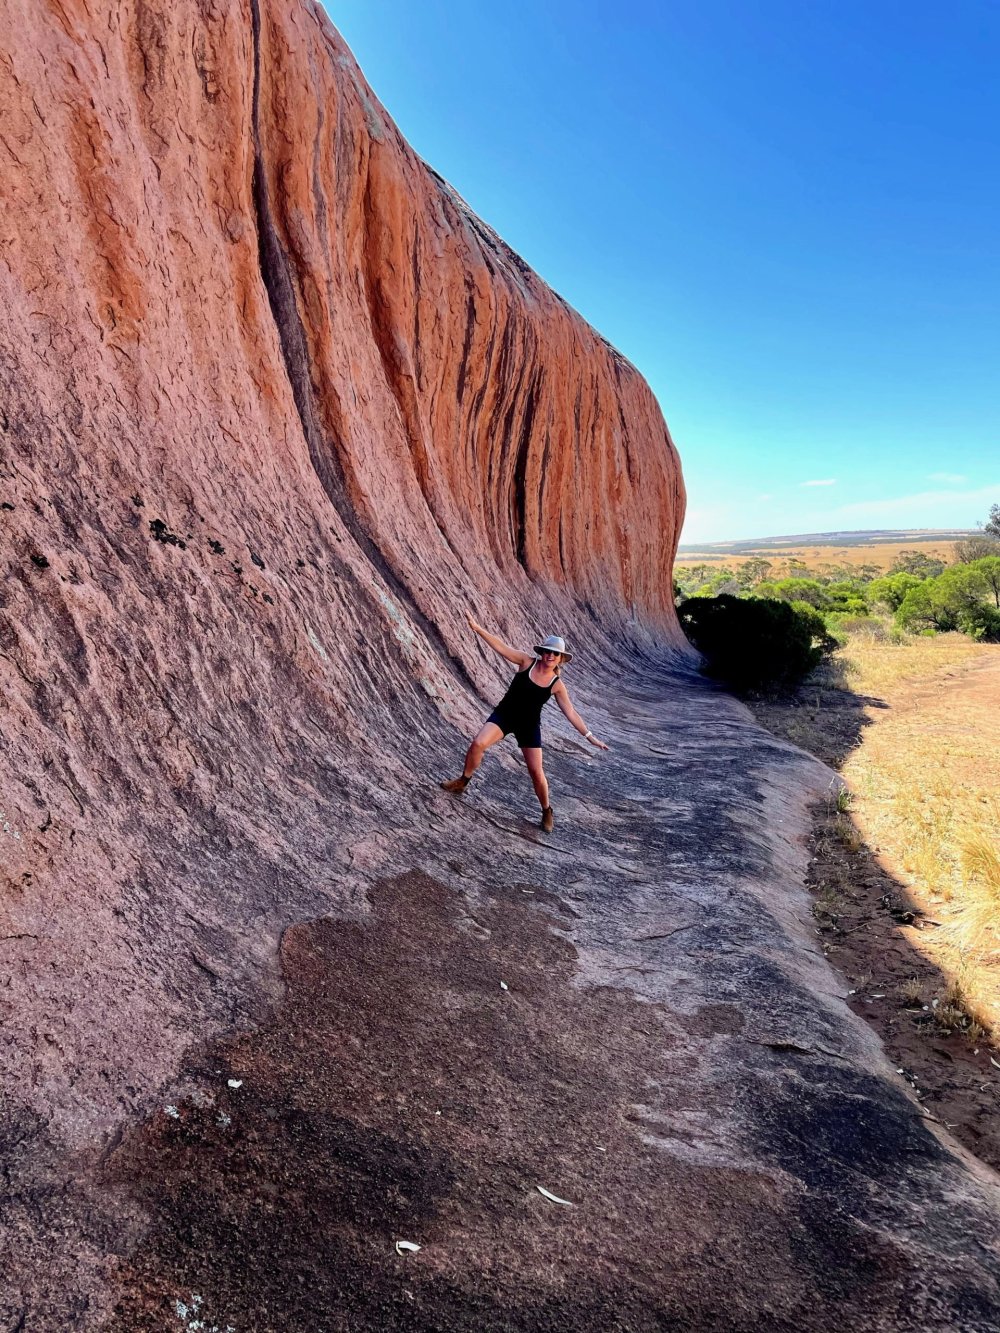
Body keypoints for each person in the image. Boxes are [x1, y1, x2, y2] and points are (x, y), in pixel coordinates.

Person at [440, 614, 609, 832]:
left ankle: (547, 810)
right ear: (542, 652)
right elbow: (501, 647)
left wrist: (590, 737)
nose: (550, 655)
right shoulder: (526, 662)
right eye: (547, 651)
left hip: (528, 726)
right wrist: (478, 628)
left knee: (536, 772)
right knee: (478, 743)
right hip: (505, 716)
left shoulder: (557, 684)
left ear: (560, 659)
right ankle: (463, 781)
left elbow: (571, 713)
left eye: (555, 653)